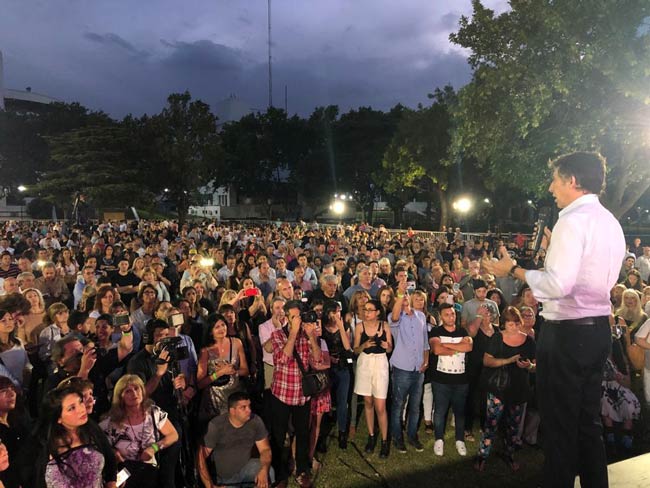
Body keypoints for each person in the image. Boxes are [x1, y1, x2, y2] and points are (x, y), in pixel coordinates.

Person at [484, 151, 625, 488]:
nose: (551, 188)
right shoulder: (610, 221)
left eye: (555, 180)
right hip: (597, 331)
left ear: (572, 181)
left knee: (559, 428)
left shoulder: (571, 221)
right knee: (588, 425)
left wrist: (513, 270)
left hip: (566, 335)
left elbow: (558, 286)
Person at [268, 300, 322, 488]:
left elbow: (317, 359)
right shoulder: (277, 335)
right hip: (281, 393)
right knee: (278, 435)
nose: (298, 320)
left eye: (300, 316)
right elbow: (282, 359)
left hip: (302, 395)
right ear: (287, 318)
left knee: (302, 433)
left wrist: (312, 338)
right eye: (294, 317)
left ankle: (301, 470)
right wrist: (292, 334)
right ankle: (279, 473)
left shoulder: (308, 335)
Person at [475, 306, 535, 472]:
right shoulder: (497, 338)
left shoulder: (529, 341)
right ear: (504, 324)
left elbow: (536, 365)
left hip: (519, 388)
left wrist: (529, 366)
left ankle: (509, 454)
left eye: (516, 324)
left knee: (514, 426)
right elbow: (487, 361)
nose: (514, 327)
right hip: (498, 388)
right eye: (510, 324)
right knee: (491, 423)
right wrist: (509, 360)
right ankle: (482, 455)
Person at [100, 375, 179, 488]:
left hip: (149, 471)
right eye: (128, 391)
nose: (134, 393)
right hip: (123, 472)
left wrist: (154, 447)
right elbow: (99, 445)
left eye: (136, 388)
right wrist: (113, 453)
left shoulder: (153, 413)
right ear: (120, 397)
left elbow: (173, 435)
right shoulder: (110, 422)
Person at [34, 383, 117, 488]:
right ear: (58, 418)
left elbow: (110, 459)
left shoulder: (91, 429)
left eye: (80, 402)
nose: (81, 409)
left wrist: (111, 482)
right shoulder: (44, 446)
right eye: (72, 408)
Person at [198, 391, 273, 488]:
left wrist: (264, 469)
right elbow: (200, 456)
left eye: (249, 406)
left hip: (245, 469)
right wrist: (209, 485)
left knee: (269, 472)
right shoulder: (216, 426)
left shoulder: (255, 421)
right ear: (232, 411)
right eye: (243, 407)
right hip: (224, 479)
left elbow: (265, 449)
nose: (249, 410)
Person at [388, 279, 430, 454]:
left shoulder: (421, 316)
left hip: (418, 369)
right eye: (401, 296)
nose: (405, 297)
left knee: (415, 405)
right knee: (398, 405)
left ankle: (412, 435)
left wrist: (426, 361)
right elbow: (395, 316)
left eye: (406, 295)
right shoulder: (395, 317)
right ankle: (397, 437)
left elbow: (425, 343)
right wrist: (400, 292)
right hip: (402, 369)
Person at [429, 302, 473, 457]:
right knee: (440, 411)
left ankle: (459, 440)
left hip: (461, 380)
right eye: (447, 314)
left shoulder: (462, 330)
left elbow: (468, 347)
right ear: (441, 316)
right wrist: (458, 346)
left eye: (453, 314)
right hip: (440, 380)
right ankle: (439, 439)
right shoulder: (436, 331)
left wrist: (446, 345)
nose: (451, 317)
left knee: (460, 412)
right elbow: (436, 349)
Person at [353, 299, 392, 458]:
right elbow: (355, 350)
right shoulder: (359, 327)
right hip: (365, 363)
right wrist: (364, 346)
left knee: (380, 405)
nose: (366, 313)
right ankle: (371, 436)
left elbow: (389, 348)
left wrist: (386, 346)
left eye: (370, 310)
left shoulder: (385, 326)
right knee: (368, 402)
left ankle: (384, 441)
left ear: (377, 312)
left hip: (380, 363)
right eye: (365, 309)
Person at [197, 313, 249, 425]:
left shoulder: (236, 342)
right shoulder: (205, 351)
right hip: (215, 400)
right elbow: (200, 383)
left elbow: (245, 370)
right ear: (210, 331)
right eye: (217, 327)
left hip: (235, 396)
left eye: (223, 325)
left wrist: (233, 371)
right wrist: (220, 373)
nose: (222, 329)